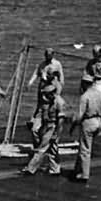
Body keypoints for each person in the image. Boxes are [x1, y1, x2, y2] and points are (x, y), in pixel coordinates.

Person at [21, 48, 66, 177]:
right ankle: (55, 168)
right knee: (52, 147)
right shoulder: (42, 65)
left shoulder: (58, 102)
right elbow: (36, 73)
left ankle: (31, 168)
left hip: (52, 125)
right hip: (48, 121)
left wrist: (56, 133)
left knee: (44, 147)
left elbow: (61, 121)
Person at [72, 70, 101, 183]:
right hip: (97, 121)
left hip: (88, 122)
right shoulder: (99, 94)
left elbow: (79, 115)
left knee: (85, 150)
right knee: (85, 147)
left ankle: (84, 175)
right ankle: (77, 170)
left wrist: (73, 124)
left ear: (84, 83)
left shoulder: (85, 96)